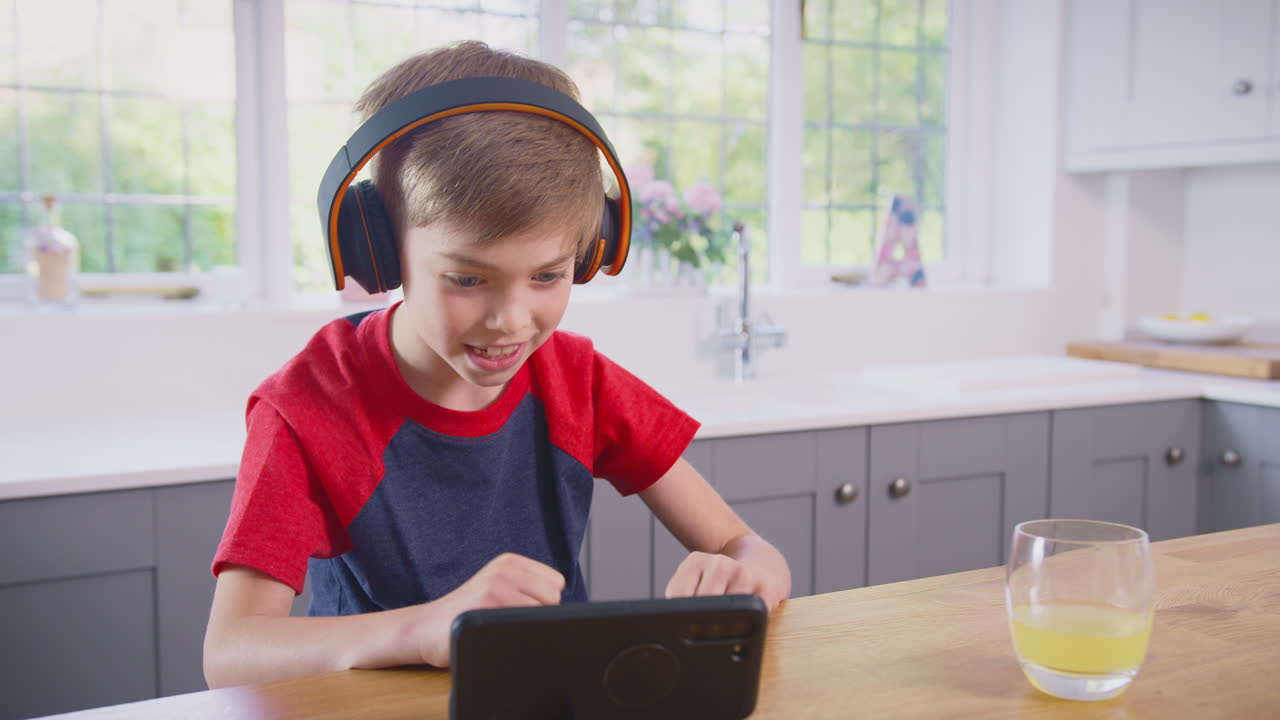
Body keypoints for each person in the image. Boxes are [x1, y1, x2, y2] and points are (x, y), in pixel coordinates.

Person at [202, 40, 791, 689]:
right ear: (381, 250)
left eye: (548, 275)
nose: (511, 320)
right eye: (466, 279)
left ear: (589, 255)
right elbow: (231, 651)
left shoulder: (578, 380)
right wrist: (425, 628)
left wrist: (748, 570)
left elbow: (748, 547)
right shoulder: (308, 408)